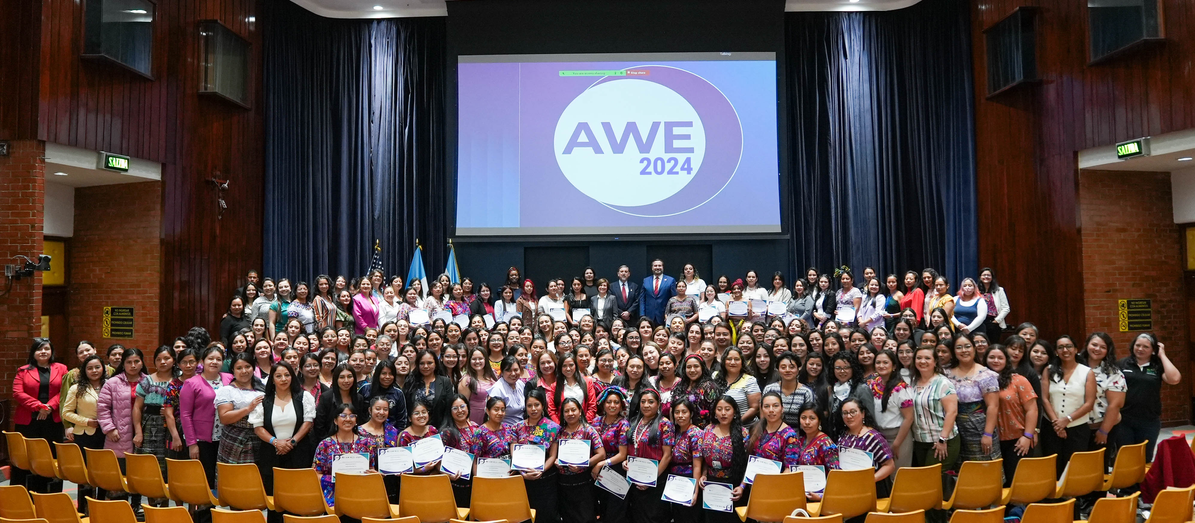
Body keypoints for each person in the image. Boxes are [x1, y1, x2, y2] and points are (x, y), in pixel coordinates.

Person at [251, 362, 315, 522]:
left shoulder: (304, 397)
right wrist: (275, 442)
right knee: (275, 501)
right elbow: (258, 428)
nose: (283, 379)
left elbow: (308, 423)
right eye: (278, 376)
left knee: (297, 499)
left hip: (299, 454)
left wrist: (291, 442)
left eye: (287, 375)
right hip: (271, 455)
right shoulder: (263, 400)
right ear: (272, 379)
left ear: (292, 377)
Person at [11, 337, 68, 493]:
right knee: (27, 457)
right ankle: (24, 494)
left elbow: (65, 391)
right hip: (28, 421)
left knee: (50, 457)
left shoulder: (62, 368)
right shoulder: (23, 371)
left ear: (51, 351)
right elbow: (17, 393)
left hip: (52, 420)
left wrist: (50, 406)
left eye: (46, 349)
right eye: (39, 349)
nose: (43, 352)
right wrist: (39, 407)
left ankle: (48, 494)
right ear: (33, 352)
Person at [1039, 335, 1096, 477]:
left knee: (1074, 469)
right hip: (1051, 427)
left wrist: (1067, 420)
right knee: (1052, 468)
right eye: (1061, 347)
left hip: (1077, 428)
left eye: (1069, 346)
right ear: (1056, 351)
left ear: (1076, 349)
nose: (1065, 350)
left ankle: (1074, 492)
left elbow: (1089, 403)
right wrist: (1057, 424)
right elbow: (1045, 399)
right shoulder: (1048, 370)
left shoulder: (1087, 372)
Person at [1118, 333, 1181, 462]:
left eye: (1146, 347)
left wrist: (1162, 355)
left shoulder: (1157, 366)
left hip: (1149, 421)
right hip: (1124, 420)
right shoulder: (1122, 364)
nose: (1140, 349)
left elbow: (1174, 379)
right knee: (1125, 458)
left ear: (1153, 350)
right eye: (1137, 345)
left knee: (1144, 458)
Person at [98, 348, 146, 511]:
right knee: (119, 476)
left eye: (136, 361)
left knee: (138, 474)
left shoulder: (148, 381)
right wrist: (109, 429)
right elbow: (102, 408)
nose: (133, 365)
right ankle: (119, 510)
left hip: (143, 432)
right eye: (129, 362)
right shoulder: (112, 382)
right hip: (118, 434)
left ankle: (136, 507)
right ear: (123, 364)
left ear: (142, 362)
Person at [944, 334, 1001, 464]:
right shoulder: (946, 373)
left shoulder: (986, 375)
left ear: (974, 348)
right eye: (959, 347)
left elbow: (993, 406)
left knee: (983, 466)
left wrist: (987, 434)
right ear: (953, 351)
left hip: (978, 427)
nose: (964, 350)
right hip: (954, 428)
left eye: (967, 346)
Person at [985, 345, 1038, 485]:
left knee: (1017, 483)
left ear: (1006, 360)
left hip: (1017, 440)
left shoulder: (1019, 380)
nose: (996, 361)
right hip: (991, 440)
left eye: (1000, 358)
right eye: (992, 357)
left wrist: (1028, 436)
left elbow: (1032, 410)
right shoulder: (980, 380)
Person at [61, 354, 108, 513]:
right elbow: (66, 413)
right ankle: (84, 509)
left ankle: (101, 508)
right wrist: (86, 421)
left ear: (103, 368)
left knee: (104, 472)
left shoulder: (111, 385)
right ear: (84, 370)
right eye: (90, 368)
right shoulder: (76, 388)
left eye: (97, 367)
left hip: (107, 434)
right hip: (85, 434)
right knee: (86, 474)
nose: (94, 371)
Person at [132, 346, 176, 507]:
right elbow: (137, 408)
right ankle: (150, 507)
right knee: (149, 468)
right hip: (150, 427)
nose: (163, 362)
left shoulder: (179, 381)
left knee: (167, 467)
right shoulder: (146, 381)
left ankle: (164, 508)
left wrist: (171, 411)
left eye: (166, 358)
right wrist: (138, 432)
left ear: (174, 360)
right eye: (158, 359)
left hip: (171, 427)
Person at [510, 387, 560, 523]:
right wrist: (522, 472)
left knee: (546, 515)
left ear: (543, 405)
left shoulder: (553, 427)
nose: (533, 409)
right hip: (522, 478)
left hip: (545, 478)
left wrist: (541, 470)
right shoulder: (517, 427)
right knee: (524, 516)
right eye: (529, 405)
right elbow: (514, 451)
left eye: (536, 405)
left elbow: (552, 456)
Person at [624, 388, 673, 523]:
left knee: (654, 517)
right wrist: (626, 462)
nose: (646, 405)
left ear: (658, 404)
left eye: (651, 402)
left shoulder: (665, 424)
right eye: (643, 402)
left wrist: (650, 479)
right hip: (635, 479)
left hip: (656, 479)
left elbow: (667, 456)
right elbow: (631, 447)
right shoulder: (633, 422)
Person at [313, 403, 375, 506]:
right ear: (335, 420)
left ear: (356, 420)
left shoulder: (367, 443)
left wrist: (374, 475)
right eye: (343, 415)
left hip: (361, 495)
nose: (348, 419)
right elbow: (315, 475)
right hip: (333, 497)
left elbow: (371, 470)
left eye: (352, 416)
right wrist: (335, 479)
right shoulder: (324, 445)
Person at [698, 396, 749, 522]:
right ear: (715, 412)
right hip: (711, 483)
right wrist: (703, 474)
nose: (723, 413)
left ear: (734, 412)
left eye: (727, 409)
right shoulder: (708, 430)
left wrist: (742, 486)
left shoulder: (743, 433)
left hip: (733, 483)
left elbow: (748, 463)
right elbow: (704, 458)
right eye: (719, 409)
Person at [909, 346, 959, 471]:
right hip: (920, 440)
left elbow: (952, 412)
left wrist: (942, 439)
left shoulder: (943, 383)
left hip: (941, 440)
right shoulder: (913, 382)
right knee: (925, 476)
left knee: (933, 477)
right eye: (919, 358)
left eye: (927, 358)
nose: (922, 361)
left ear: (935, 361)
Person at [833, 399, 896, 497]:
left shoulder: (874, 437)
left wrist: (871, 479)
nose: (849, 416)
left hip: (868, 490)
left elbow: (890, 465)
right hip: (846, 487)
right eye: (845, 413)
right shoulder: (843, 435)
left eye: (853, 412)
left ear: (863, 414)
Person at [1081, 333, 1126, 465]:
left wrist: (1103, 431)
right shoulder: (1074, 366)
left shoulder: (1113, 372)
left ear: (1108, 350)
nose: (1097, 349)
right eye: (1094, 345)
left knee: (1098, 466)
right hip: (1076, 427)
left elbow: (1115, 405)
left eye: (1103, 347)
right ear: (1087, 345)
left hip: (1100, 426)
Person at [867, 350, 914, 468]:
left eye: (885, 362)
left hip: (898, 436)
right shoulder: (873, 384)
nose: (881, 365)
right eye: (878, 362)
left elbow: (909, 418)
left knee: (897, 473)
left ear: (894, 366)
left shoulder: (901, 388)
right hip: (879, 436)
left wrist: (896, 444)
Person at [216, 352, 266, 465]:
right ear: (233, 370)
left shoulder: (263, 385)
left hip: (262, 437)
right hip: (236, 439)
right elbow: (224, 418)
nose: (244, 371)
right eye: (239, 368)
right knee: (236, 474)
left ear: (253, 368)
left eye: (247, 366)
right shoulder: (227, 391)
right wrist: (249, 408)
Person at [592, 387, 630, 523]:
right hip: (596, 469)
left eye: (616, 402)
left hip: (616, 469)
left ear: (621, 405)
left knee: (615, 511)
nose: (612, 405)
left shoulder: (623, 424)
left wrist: (601, 464)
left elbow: (622, 454)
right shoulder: (596, 422)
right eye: (609, 402)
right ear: (603, 403)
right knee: (601, 508)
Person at [440, 394, 479, 508]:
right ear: (450, 411)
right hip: (455, 482)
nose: (460, 411)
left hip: (476, 481)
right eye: (455, 408)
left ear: (468, 407)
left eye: (462, 406)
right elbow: (439, 460)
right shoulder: (446, 432)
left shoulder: (476, 428)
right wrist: (448, 474)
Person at [793, 404, 839, 501]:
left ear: (819, 421)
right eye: (803, 418)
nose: (807, 422)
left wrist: (821, 497)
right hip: (800, 491)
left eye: (812, 418)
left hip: (817, 497)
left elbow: (836, 475)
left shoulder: (826, 444)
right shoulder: (800, 439)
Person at [314, 364, 363, 442]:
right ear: (336, 379)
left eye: (349, 377)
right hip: (329, 442)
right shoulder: (326, 397)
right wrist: (329, 442)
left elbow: (361, 422)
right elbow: (319, 425)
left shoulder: (359, 398)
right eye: (342, 377)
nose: (346, 380)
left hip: (353, 441)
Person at [717, 348, 760, 423]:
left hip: (744, 426)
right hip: (720, 425)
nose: (733, 362)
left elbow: (754, 408)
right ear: (724, 361)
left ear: (742, 362)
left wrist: (736, 423)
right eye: (729, 359)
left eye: (736, 359)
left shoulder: (749, 380)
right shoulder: (715, 376)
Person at [488, 355, 528, 425]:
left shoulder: (520, 384)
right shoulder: (497, 389)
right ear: (502, 372)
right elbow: (492, 415)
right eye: (508, 370)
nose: (513, 374)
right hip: (504, 428)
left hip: (522, 426)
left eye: (516, 370)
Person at [977, 268, 1010, 342]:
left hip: (993, 321)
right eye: (984, 275)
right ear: (980, 277)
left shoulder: (999, 290)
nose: (986, 277)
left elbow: (1006, 308)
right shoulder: (976, 290)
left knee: (993, 344)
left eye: (988, 275)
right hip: (979, 322)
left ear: (992, 277)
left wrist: (997, 320)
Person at [640, 259, 676, 325]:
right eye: (655, 266)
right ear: (652, 267)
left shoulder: (670, 280)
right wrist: (642, 315)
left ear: (663, 267)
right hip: (649, 315)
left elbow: (674, 299)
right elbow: (642, 299)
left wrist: (671, 315)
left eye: (659, 265)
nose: (657, 267)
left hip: (664, 315)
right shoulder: (646, 280)